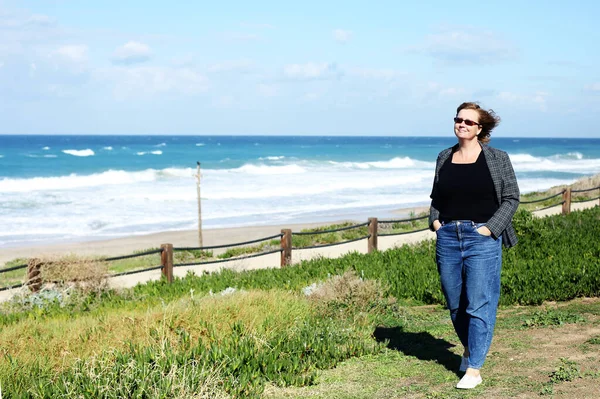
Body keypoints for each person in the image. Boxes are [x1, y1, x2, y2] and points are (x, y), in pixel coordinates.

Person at [428, 102, 519, 389]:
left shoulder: (497, 158)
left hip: (481, 238)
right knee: (455, 302)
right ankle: (468, 349)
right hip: (448, 236)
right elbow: (436, 198)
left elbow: (511, 198)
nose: (462, 124)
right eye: (458, 119)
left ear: (480, 128)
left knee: (479, 302)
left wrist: (489, 229)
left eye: (469, 121)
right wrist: (435, 223)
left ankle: (474, 369)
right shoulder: (444, 157)